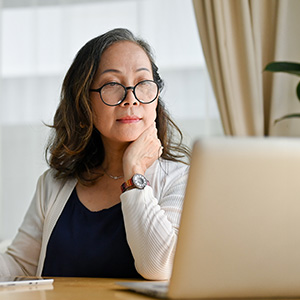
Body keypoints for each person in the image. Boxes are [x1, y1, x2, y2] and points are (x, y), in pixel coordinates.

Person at [0, 28, 190, 280]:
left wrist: (134, 173)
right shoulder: (53, 184)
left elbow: (158, 267)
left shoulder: (180, 179)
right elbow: (20, 266)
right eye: (112, 84)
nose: (131, 98)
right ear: (84, 101)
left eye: (143, 83)